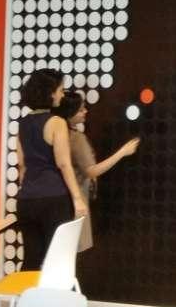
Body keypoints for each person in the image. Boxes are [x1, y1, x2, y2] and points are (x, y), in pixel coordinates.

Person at [16, 69, 89, 270]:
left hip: (26, 200)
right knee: (57, 260)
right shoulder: (57, 122)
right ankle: (55, 293)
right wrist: (77, 198)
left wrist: (28, 188)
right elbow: (63, 163)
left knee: (31, 260)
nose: (62, 95)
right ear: (49, 92)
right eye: (60, 90)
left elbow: (22, 164)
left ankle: (27, 291)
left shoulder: (23, 123)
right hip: (54, 198)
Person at [54, 90, 140, 251]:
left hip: (58, 201)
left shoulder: (55, 135)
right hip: (76, 201)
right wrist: (122, 152)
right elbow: (91, 171)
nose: (85, 111)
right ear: (70, 113)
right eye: (80, 109)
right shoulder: (76, 138)